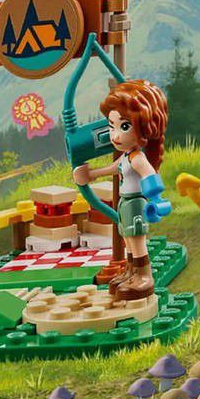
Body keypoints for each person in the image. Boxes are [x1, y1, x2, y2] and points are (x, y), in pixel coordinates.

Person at [73, 79, 169, 301]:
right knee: (127, 237)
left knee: (137, 238)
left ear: (145, 127)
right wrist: (90, 174)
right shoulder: (126, 156)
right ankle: (131, 271)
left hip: (135, 202)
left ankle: (144, 276)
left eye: (124, 127)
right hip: (125, 202)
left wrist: (156, 199)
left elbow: (150, 176)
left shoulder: (138, 158)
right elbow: (113, 168)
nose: (115, 136)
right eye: (111, 126)